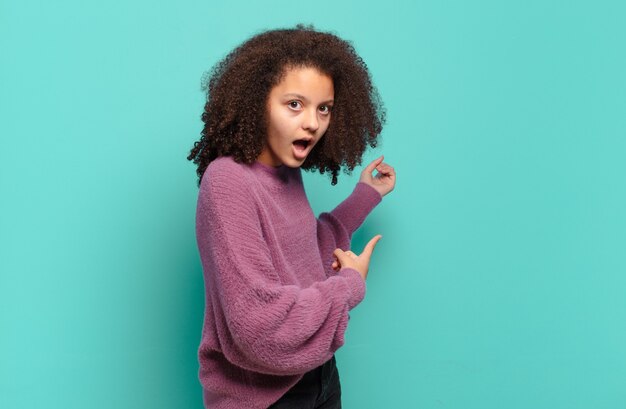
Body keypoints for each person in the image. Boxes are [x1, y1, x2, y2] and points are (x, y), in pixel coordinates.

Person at [187, 24, 396, 409]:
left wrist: (365, 195)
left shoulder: (286, 172)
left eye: (324, 108)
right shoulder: (227, 182)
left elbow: (304, 255)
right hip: (264, 397)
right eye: (294, 104)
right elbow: (259, 326)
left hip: (319, 375)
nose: (313, 123)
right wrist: (349, 285)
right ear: (257, 102)